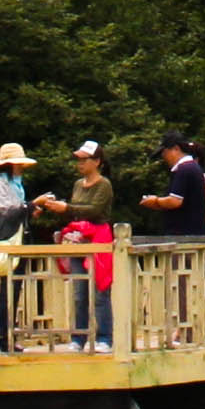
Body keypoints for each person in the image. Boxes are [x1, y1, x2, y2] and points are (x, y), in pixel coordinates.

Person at [40, 139, 116, 349]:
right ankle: (78, 337)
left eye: (85, 159)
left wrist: (66, 208)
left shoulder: (104, 184)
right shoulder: (77, 185)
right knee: (78, 293)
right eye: (79, 160)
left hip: (98, 238)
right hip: (78, 236)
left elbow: (95, 210)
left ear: (97, 161)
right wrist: (63, 209)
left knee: (100, 290)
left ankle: (104, 338)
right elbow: (77, 210)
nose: (80, 164)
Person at [0, 143, 36, 348]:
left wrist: (31, 210)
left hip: (19, 238)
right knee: (7, 289)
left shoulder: (16, 184)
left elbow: (18, 211)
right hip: (6, 239)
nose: (21, 168)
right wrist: (31, 205)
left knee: (14, 289)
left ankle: (6, 336)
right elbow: (8, 211)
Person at [134, 131, 205, 241]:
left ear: (176, 149)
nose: (163, 156)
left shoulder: (184, 169)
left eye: (165, 152)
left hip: (184, 236)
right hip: (194, 234)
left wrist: (155, 201)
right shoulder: (194, 168)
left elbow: (175, 201)